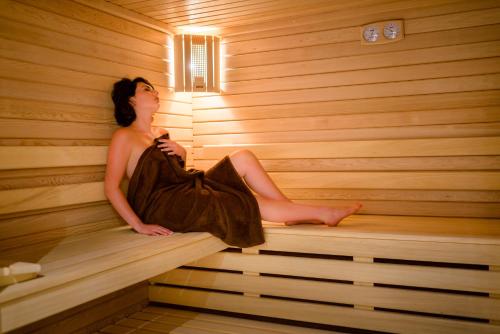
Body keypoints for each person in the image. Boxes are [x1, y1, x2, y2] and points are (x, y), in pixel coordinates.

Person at [104, 77, 361, 241]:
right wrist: (139, 225)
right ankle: (326, 213)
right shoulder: (124, 137)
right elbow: (112, 187)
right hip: (162, 206)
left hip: (184, 191)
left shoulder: (161, 133)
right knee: (234, 198)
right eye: (147, 89)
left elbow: (173, 172)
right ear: (131, 99)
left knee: (244, 157)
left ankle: (289, 210)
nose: (155, 92)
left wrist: (182, 153)